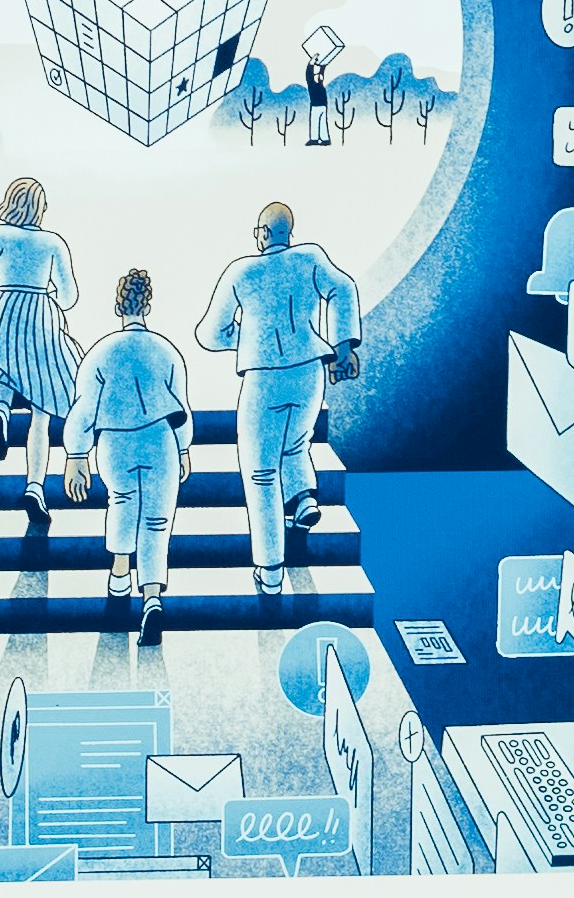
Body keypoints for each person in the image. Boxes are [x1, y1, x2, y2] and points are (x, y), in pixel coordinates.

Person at [203, 201, 362, 573]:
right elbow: (344, 288)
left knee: (260, 474)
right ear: (289, 233)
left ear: (262, 233)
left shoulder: (241, 271)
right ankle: (304, 498)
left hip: (263, 376)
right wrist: (342, 347)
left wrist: (247, 339)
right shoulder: (310, 258)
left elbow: (211, 333)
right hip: (309, 370)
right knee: (294, 443)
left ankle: (271, 568)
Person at [76, 270, 195, 660]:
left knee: (122, 504)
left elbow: (84, 410)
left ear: (118, 305)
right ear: (147, 305)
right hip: (159, 437)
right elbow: (182, 408)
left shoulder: (100, 352)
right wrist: (183, 449)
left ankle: (118, 578)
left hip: (115, 440)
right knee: (158, 521)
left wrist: (76, 455)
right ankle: (152, 599)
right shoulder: (166, 351)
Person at [0, 176, 79, 462]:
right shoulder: (52, 243)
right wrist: (49, 300)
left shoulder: (0, 236)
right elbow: (70, 297)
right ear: (39, 208)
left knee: (16, 364)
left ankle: (2, 409)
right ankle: (34, 486)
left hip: (0, 320)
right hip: (40, 319)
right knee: (48, 383)